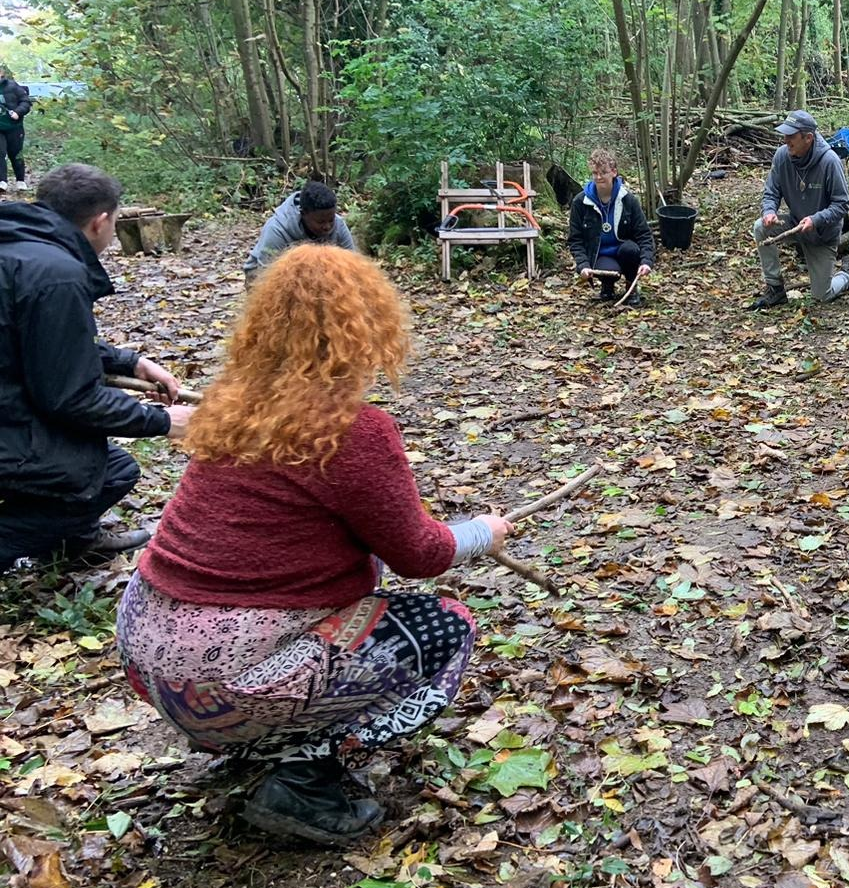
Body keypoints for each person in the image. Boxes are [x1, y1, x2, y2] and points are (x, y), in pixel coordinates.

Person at [117, 245, 512, 846]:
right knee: (444, 628)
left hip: (148, 658)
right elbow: (421, 556)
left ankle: (263, 737)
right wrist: (484, 531)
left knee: (366, 567)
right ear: (369, 326)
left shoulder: (232, 405)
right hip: (218, 678)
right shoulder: (355, 430)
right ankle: (302, 775)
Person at [0, 163, 194, 572]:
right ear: (100, 221)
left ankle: (75, 541)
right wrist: (161, 421)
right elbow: (70, 398)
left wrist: (129, 362)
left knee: (110, 466)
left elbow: (32, 338)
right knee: (96, 475)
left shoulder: (17, 248)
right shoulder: (55, 273)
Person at [748, 110, 849, 310]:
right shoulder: (782, 156)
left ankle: (848, 275)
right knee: (760, 227)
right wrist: (769, 212)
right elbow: (771, 192)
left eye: (791, 136)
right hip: (796, 224)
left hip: (822, 235)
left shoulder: (829, 161)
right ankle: (775, 289)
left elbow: (842, 204)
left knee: (822, 296)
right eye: (785, 135)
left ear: (808, 138)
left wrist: (816, 220)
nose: (785, 140)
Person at [568, 148, 655, 306]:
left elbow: (644, 235)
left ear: (614, 172)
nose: (599, 177)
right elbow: (575, 240)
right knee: (608, 270)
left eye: (603, 172)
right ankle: (607, 287)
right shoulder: (580, 202)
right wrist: (583, 265)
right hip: (600, 255)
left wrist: (646, 261)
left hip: (624, 250)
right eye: (595, 173)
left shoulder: (628, 200)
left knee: (631, 250)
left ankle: (631, 286)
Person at [243, 180, 356, 283]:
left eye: (331, 220)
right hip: (272, 277)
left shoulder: (339, 224)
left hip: (320, 275)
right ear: (303, 214)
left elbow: (353, 264)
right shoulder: (277, 229)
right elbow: (266, 274)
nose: (327, 226)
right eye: (321, 222)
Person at [0, 70, 31, 192]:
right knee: (0, 153)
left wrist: (18, 112)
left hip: (14, 126)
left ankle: (20, 180)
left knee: (16, 153)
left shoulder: (12, 86)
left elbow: (26, 101)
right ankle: (2, 181)